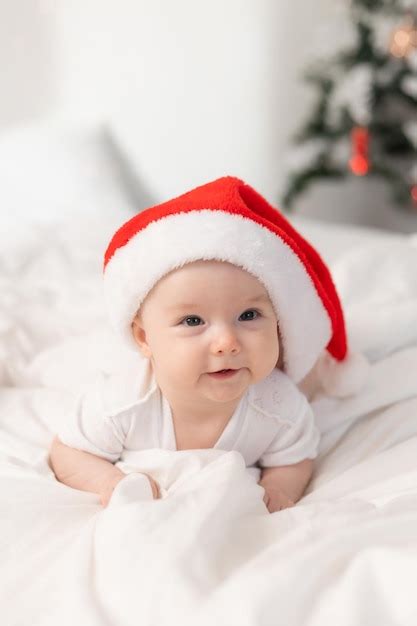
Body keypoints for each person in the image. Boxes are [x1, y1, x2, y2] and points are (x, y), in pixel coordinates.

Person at [49, 176, 368, 513]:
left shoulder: (280, 406)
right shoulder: (121, 402)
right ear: (144, 338)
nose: (227, 343)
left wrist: (278, 487)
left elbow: (295, 459)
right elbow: (68, 452)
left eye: (248, 314)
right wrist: (107, 482)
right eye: (192, 321)